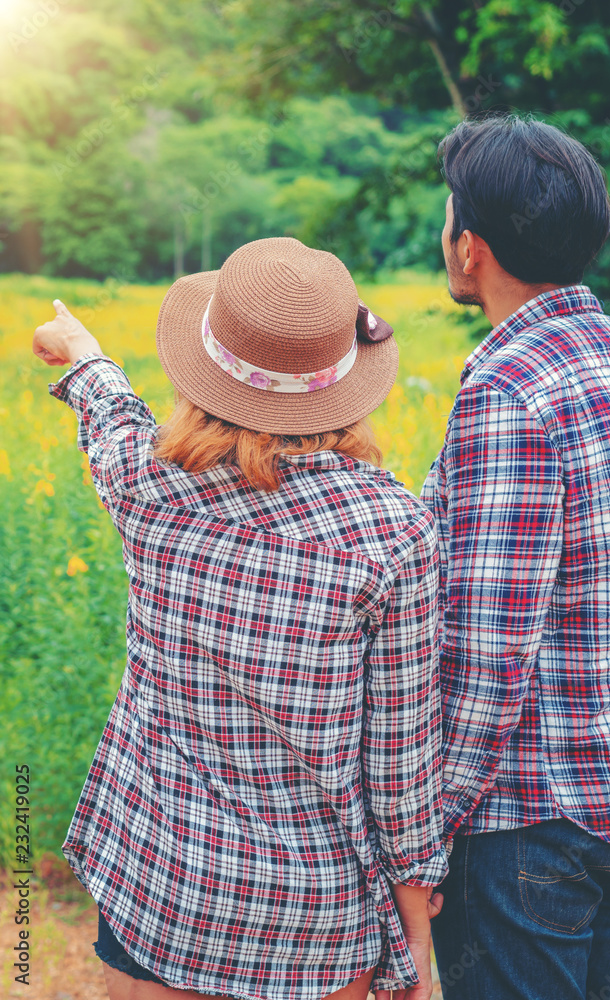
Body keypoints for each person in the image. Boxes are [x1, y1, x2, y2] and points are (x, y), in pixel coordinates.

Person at [33, 237, 447, 1000]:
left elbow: (111, 415)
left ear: (205, 365)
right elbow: (400, 763)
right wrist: (416, 928)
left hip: (162, 892)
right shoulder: (395, 532)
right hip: (317, 922)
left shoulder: (146, 486)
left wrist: (82, 350)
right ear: (343, 380)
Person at [424, 115, 610, 1000]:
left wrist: (431, 826)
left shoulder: (507, 393)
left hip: (526, 825)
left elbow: (488, 652)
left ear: (469, 247)